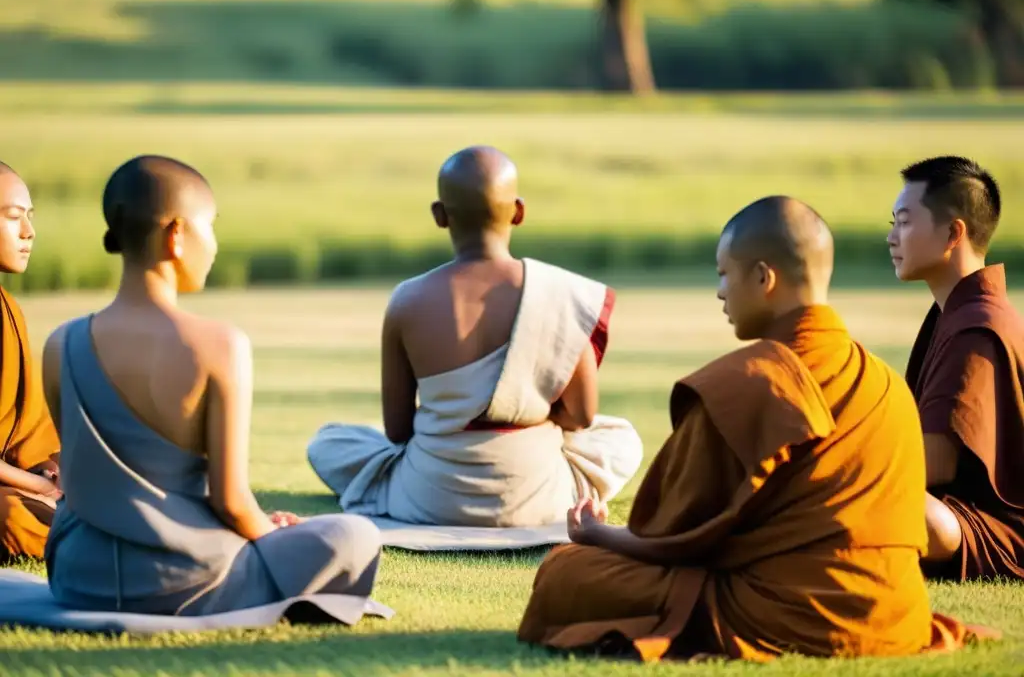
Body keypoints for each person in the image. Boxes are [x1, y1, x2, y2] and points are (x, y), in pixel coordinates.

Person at [517, 196, 977, 662]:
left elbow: (673, 540)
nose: (719, 292)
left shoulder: (747, 381)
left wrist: (598, 534)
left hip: (778, 611)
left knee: (566, 572)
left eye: (724, 274)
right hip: (892, 615)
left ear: (763, 277)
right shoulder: (885, 384)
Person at [41, 155, 383, 615]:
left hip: (77, 577)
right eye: (211, 227)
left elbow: (86, 481)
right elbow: (230, 501)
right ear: (177, 235)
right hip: (183, 583)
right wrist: (273, 535)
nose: (216, 246)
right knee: (355, 534)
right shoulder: (218, 345)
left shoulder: (60, 342)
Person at [307, 146, 642, 527]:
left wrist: (455, 418)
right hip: (540, 496)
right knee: (622, 439)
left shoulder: (408, 299)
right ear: (518, 211)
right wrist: (522, 416)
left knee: (329, 443)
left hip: (428, 497)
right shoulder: (559, 293)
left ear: (440, 215)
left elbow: (397, 431)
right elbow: (581, 416)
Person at [889, 155, 1023, 581]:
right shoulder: (955, 312)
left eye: (905, 222)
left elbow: (936, 465)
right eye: (893, 222)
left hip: (992, 529)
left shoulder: (978, 325)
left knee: (913, 513)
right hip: (952, 509)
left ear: (953, 232)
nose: (892, 237)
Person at [0, 162, 62, 564]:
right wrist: (36, 487)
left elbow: (30, 428)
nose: (28, 232)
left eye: (30, 216)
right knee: (11, 516)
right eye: (12, 217)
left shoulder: (9, 311)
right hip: (9, 495)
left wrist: (53, 470)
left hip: (14, 480)